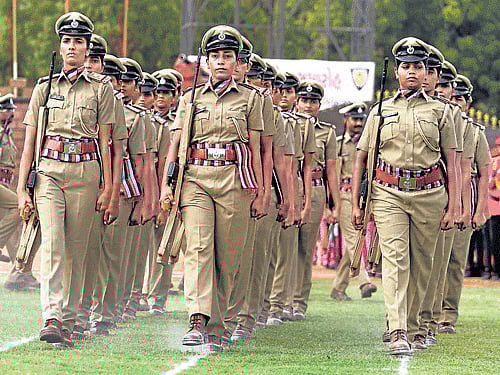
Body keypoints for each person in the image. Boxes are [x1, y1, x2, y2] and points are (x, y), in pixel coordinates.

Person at [160, 25, 265, 351]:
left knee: (226, 257)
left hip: (235, 180)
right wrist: (167, 183)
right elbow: (176, 144)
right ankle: (197, 317)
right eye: (215, 56)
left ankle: (216, 325)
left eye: (227, 56)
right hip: (196, 179)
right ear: (207, 61)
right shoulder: (190, 99)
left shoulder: (250, 100)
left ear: (236, 61)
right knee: (199, 248)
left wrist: (260, 192)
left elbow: (257, 146)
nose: (221, 61)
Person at [352, 37, 457, 355]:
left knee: (422, 264)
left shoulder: (440, 112)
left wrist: (456, 204)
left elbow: (452, 162)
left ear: (426, 71)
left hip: (429, 194)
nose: (412, 72)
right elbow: (362, 157)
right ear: (397, 71)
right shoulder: (380, 111)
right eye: (406, 66)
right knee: (396, 260)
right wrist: (360, 202)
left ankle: (416, 326)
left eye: (418, 66)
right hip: (389, 194)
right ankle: (397, 329)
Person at [17, 12, 115, 348]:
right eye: (67, 41)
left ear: (88, 49)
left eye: (78, 42)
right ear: (59, 47)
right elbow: (30, 142)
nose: (72, 47)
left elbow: (107, 143)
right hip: (49, 172)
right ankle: (52, 315)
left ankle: (71, 318)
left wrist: (110, 189)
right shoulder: (44, 88)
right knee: (54, 244)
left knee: (76, 250)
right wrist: (22, 189)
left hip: (86, 173)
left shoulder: (102, 89)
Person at [89, 54, 146, 335]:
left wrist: (145, 201)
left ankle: (105, 313)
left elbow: (141, 160)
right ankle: (82, 308)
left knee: (111, 257)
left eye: (114, 79)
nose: (110, 84)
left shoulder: (130, 115)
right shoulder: (84, 106)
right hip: (86, 186)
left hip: (121, 190)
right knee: (87, 254)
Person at [439, 74, 491, 334]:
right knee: (429, 260)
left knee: (455, 260)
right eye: (451, 95)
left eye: (460, 97)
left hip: (463, 197)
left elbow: (484, 172)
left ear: (468, 102)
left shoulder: (474, 131)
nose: (455, 101)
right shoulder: (434, 122)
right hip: (434, 192)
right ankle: (426, 312)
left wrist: (480, 209)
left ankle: (448, 315)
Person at [293, 79, 341, 319]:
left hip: (315, 186)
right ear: (296, 101)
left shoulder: (327, 132)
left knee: (304, 247)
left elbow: (332, 170)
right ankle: (278, 299)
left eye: (313, 101)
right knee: (283, 248)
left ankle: (299, 301)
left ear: (319, 105)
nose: (308, 106)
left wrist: (334, 204)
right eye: (304, 100)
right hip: (289, 187)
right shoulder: (287, 125)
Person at [329, 102, 377, 301]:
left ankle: (338, 288)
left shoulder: (369, 143)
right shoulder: (339, 144)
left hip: (364, 196)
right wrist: (331, 204)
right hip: (344, 195)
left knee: (352, 244)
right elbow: (330, 174)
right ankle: (364, 282)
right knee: (354, 240)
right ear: (345, 120)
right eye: (354, 119)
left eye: (361, 119)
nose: (358, 123)